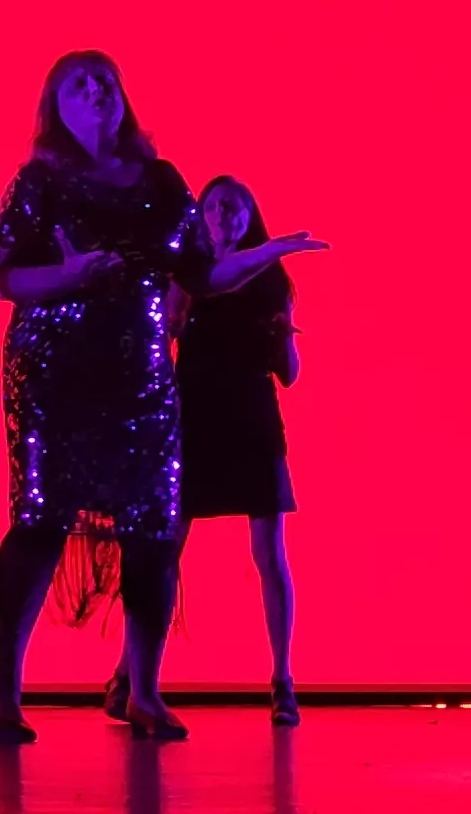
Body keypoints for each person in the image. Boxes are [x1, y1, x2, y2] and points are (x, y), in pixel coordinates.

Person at [0, 52, 322, 744]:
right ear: (56, 108)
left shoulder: (162, 183)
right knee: (41, 523)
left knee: (152, 531)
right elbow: (6, 280)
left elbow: (203, 272)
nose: (97, 92)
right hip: (54, 377)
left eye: (105, 81)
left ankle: (143, 690)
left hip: (140, 381)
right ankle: (1, 693)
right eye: (79, 84)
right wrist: (71, 272)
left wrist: (265, 252)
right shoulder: (40, 182)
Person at [172, 175, 307, 723]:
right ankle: (131, 676)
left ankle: (282, 679)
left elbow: (292, 374)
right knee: (166, 549)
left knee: (269, 555)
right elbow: (165, 338)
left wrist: (281, 339)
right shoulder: (188, 275)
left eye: (236, 207)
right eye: (216, 207)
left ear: (252, 216)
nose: (225, 215)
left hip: (252, 417)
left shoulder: (272, 280)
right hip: (197, 418)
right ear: (202, 216)